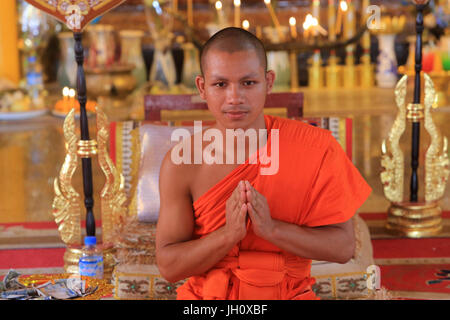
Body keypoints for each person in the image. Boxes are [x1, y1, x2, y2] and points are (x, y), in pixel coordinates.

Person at [155, 27, 372, 300]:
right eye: (220, 84)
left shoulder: (316, 149)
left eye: (248, 83)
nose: (234, 97)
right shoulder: (181, 163)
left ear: (268, 82)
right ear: (202, 87)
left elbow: (342, 247)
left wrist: (272, 229)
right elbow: (169, 266)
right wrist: (228, 234)